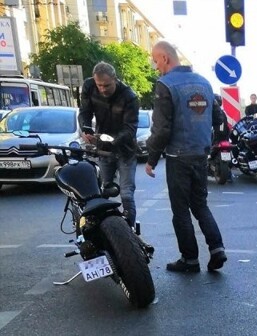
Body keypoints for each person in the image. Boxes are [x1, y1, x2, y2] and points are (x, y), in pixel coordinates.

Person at [145, 41, 226, 273]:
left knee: (180, 211)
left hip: (178, 157)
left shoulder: (165, 85)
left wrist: (151, 159)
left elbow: (161, 128)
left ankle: (190, 260)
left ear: (165, 58)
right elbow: (218, 117)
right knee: (200, 205)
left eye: (155, 59)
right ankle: (217, 248)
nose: (154, 65)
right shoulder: (204, 82)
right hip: (201, 154)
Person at [78, 61, 139, 228]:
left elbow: (130, 128)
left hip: (125, 150)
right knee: (103, 191)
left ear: (115, 79)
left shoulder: (129, 96)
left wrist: (114, 141)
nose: (103, 89)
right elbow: (84, 111)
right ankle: (104, 230)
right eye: (99, 85)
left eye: (106, 85)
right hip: (103, 151)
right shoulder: (89, 86)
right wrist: (86, 128)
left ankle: (129, 232)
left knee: (126, 193)